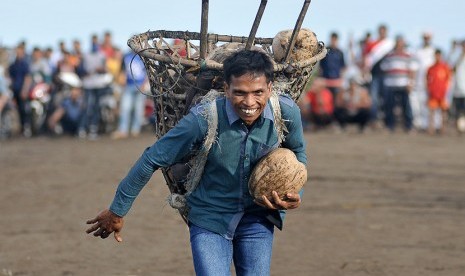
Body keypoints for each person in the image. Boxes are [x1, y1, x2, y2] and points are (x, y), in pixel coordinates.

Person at [86, 49, 306, 275]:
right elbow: (151, 158)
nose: (249, 102)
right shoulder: (203, 119)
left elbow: (298, 153)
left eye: (258, 92)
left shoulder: (286, 111)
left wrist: (295, 193)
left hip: (257, 219)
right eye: (239, 93)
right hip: (209, 218)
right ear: (226, 89)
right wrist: (117, 211)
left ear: (270, 88)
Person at [380, 35, 416, 132]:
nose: (400, 45)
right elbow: (384, 68)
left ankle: (408, 126)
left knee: (406, 106)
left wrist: (410, 83)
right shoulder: (389, 55)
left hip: (404, 84)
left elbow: (412, 70)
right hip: (390, 84)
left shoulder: (408, 55)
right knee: (389, 106)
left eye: (401, 43)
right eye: (398, 43)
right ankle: (390, 126)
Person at [111, 49, 148, 139]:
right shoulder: (126, 56)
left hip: (140, 85)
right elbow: (123, 70)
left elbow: (147, 71)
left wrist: (144, 84)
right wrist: (122, 81)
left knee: (138, 109)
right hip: (128, 85)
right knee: (125, 108)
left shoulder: (143, 56)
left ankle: (135, 130)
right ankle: (123, 130)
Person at [363, 24, 395, 124]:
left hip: (387, 75)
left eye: (383, 31)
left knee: (387, 98)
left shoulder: (390, 44)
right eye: (380, 31)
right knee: (374, 98)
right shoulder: (372, 44)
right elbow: (367, 58)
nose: (382, 33)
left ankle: (388, 121)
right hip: (375, 75)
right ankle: (374, 120)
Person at [411, 32, 435, 131]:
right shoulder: (417, 50)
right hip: (418, 82)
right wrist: (411, 81)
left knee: (428, 104)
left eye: (428, 38)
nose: (426, 40)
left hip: (431, 83)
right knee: (416, 104)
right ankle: (418, 124)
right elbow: (413, 66)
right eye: (425, 38)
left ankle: (429, 125)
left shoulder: (433, 51)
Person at [8, 43, 32, 137]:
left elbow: (28, 78)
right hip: (15, 91)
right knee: (18, 110)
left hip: (22, 91)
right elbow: (10, 77)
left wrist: (25, 90)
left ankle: (26, 127)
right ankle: (21, 128)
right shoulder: (13, 65)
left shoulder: (25, 64)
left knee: (24, 110)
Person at [426, 49, 452, 135]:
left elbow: (449, 80)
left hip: (443, 94)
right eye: (436, 55)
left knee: (443, 112)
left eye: (439, 56)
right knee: (431, 112)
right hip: (433, 93)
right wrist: (428, 89)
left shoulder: (445, 67)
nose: (437, 57)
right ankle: (431, 129)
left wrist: (447, 91)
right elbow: (427, 79)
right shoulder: (431, 68)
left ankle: (442, 129)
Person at [319, 32, 346, 105]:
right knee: (326, 100)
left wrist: (341, 79)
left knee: (336, 100)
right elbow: (320, 67)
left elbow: (343, 67)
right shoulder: (325, 51)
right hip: (326, 79)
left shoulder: (340, 52)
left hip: (336, 80)